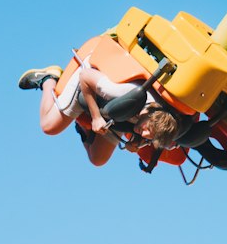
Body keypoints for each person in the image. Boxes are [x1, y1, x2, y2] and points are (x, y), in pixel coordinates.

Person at [19, 54, 179, 167]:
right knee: (49, 126)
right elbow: (85, 76)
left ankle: (83, 127)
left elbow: (148, 131)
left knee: (98, 158)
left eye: (149, 137)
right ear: (151, 116)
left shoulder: (159, 118)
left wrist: (137, 142)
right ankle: (48, 79)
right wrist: (96, 117)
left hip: (114, 107)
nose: (144, 134)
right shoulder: (124, 93)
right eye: (147, 130)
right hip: (91, 72)